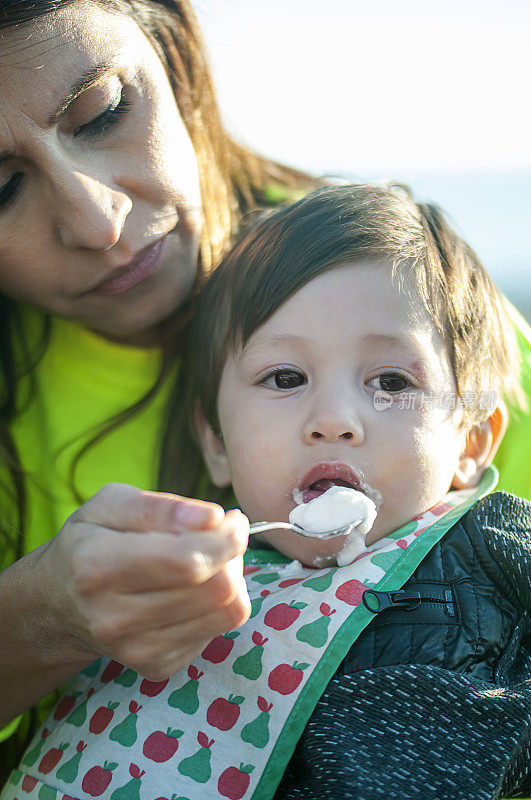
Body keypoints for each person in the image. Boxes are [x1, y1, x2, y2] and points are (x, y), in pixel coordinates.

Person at [4, 184, 529, 800]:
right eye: (285, 377)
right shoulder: (169, 584)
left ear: (469, 444)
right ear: (218, 444)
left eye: (390, 380)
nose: (333, 418)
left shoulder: (489, 555)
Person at [0, 0, 322, 782]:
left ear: (172, 46)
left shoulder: (413, 314)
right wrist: (37, 619)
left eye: (103, 111)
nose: (97, 221)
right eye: (2, 190)